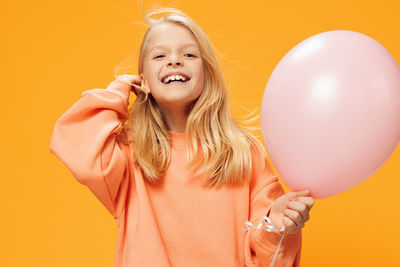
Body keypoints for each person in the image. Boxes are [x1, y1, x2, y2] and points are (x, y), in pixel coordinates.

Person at [49, 7, 314, 267]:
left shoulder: (244, 153)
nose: (174, 61)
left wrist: (278, 223)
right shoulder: (129, 153)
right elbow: (74, 139)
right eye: (159, 56)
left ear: (207, 75)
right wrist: (121, 89)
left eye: (189, 54)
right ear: (144, 82)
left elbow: (269, 255)